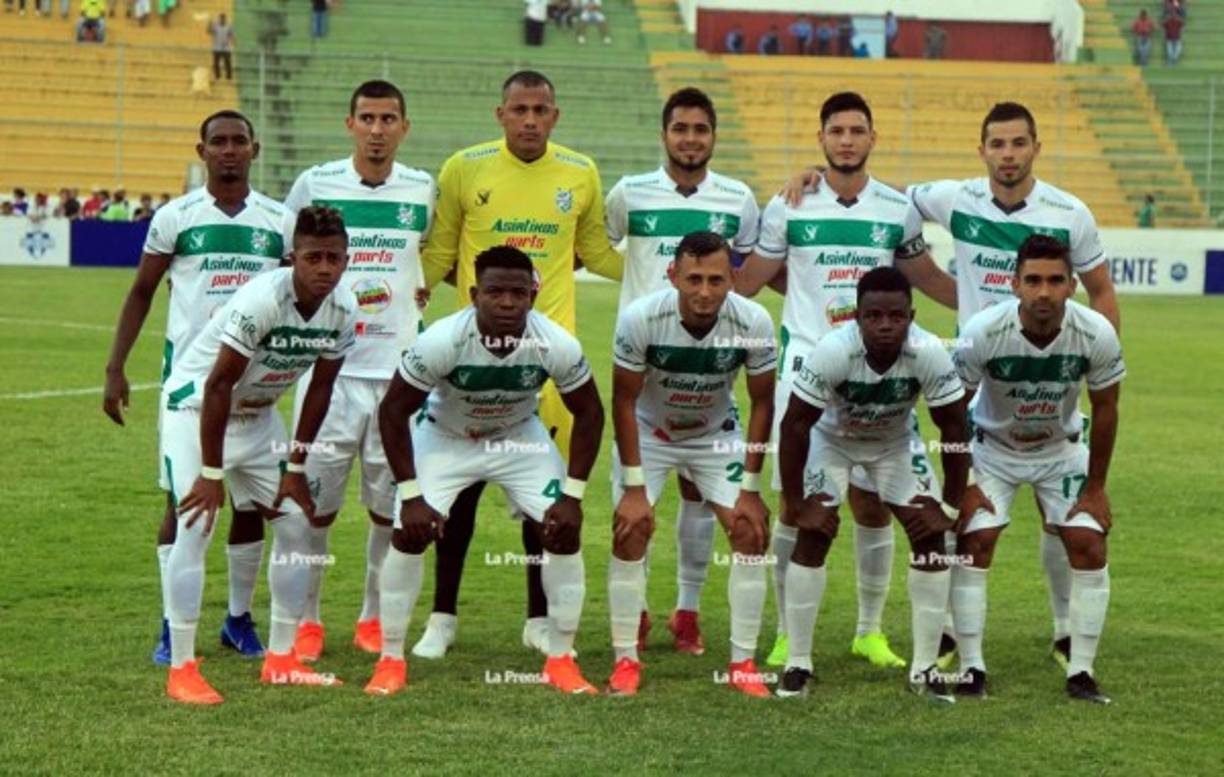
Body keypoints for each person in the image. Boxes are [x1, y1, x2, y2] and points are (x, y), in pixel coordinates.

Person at [736, 92, 957, 671]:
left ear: (872, 138)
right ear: (822, 138)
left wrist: (988, 300)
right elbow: (753, 279)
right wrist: (690, 283)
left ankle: (869, 631)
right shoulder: (790, 205)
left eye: (858, 130)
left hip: (878, 368)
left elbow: (926, 276)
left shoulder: (896, 208)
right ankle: (788, 636)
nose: (847, 140)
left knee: (874, 504)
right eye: (837, 130)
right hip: (808, 366)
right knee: (796, 505)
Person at [415, 69, 623, 659]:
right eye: (520, 109)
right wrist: (396, 292)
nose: (530, 119)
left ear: (556, 116)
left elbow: (598, 254)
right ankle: (442, 617)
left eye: (541, 110)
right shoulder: (465, 167)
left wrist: (662, 268)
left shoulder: (580, 172)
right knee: (457, 504)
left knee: (546, 506)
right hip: (469, 363)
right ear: (499, 113)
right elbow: (438, 251)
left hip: (546, 366)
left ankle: (538, 618)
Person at [367, 245, 606, 696]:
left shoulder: (555, 342)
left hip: (518, 436)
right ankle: (390, 659)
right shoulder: (442, 339)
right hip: (446, 437)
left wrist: (572, 495)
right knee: (407, 532)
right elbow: (393, 411)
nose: (507, 303)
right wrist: (412, 493)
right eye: (495, 292)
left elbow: (591, 413)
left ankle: (560, 658)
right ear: (475, 294)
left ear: (533, 296)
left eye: (518, 293)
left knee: (562, 529)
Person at [104, 110, 295, 668]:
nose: (230, 151)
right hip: (189, 385)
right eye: (219, 142)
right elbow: (142, 291)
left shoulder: (278, 221)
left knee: (253, 503)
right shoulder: (176, 216)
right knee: (182, 501)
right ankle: (173, 623)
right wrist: (116, 367)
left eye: (239, 142)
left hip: (253, 388)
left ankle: (238, 619)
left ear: (254, 151)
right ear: (202, 151)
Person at [159, 206, 358, 703]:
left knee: (295, 525)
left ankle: (283, 659)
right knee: (195, 525)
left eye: (334, 258)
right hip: (197, 409)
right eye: (313, 257)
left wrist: (295, 468)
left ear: (347, 260)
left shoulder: (344, 309)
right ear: (293, 257)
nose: (324, 269)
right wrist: (210, 472)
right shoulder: (263, 298)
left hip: (259, 416)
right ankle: (181, 666)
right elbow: (218, 381)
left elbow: (320, 390)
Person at [281, 80, 435, 663]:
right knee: (313, 507)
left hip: (398, 380)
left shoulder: (422, 189)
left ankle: (372, 617)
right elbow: (285, 262)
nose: (377, 128)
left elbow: (429, 255)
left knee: (387, 507)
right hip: (329, 374)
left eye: (388, 118)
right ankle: (308, 619)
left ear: (404, 126)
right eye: (367, 117)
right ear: (349, 124)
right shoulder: (314, 185)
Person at [604, 87, 760, 653]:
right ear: (664, 135)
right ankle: (637, 613)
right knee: (635, 506)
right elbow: (602, 246)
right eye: (680, 129)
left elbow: (750, 265)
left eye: (701, 129)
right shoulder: (630, 193)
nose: (690, 139)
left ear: (713, 137)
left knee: (701, 496)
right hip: (644, 369)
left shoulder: (739, 198)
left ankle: (687, 612)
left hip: (706, 374)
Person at [776, 267, 970, 700]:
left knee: (930, 535)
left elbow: (956, 430)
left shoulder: (930, 353)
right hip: (833, 442)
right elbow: (793, 427)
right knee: (814, 530)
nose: (885, 325)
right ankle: (798, 663)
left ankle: (925, 670)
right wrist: (796, 502)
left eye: (896, 316)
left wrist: (950, 509)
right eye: (874, 316)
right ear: (856, 318)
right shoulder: (832, 351)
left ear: (912, 315)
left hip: (895, 445)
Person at [951, 234, 1124, 704]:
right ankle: (971, 668)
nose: (1043, 292)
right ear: (1014, 284)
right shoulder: (982, 331)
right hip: (992, 451)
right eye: (1033, 280)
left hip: (1061, 452)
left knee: (1088, 541)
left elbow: (1105, 409)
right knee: (975, 540)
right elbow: (951, 410)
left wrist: (1096, 487)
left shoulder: (1096, 333)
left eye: (1054, 281)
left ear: (1072, 285)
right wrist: (964, 482)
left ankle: (1081, 672)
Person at [606, 232, 776, 697]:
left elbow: (763, 403)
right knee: (631, 530)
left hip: (714, 436)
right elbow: (622, 400)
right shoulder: (641, 318)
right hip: (649, 432)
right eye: (694, 279)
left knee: (750, 531)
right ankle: (625, 659)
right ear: (673, 276)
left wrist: (753, 488)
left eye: (717, 280)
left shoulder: (753, 320)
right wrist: (636, 489)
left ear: (732, 279)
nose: (705, 292)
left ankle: (743, 663)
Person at [209, 13, 235, 81]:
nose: (222, 20)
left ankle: (229, 77)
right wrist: (209, 24)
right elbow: (209, 31)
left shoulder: (229, 26)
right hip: (217, 47)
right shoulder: (215, 26)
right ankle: (217, 76)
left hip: (226, 48)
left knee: (228, 62)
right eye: (221, 19)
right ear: (219, 19)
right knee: (216, 62)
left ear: (225, 19)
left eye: (223, 19)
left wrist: (233, 41)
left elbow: (231, 35)